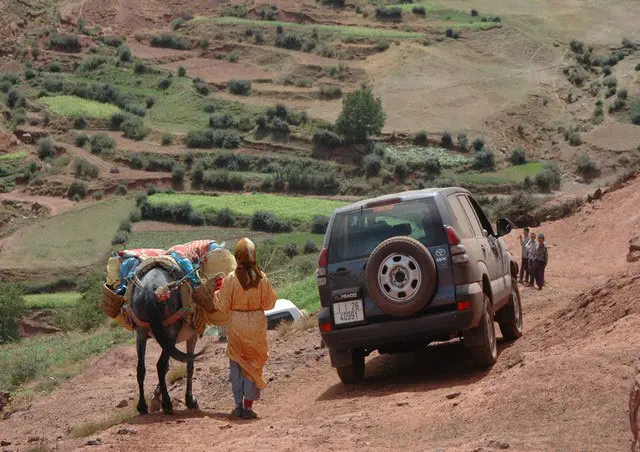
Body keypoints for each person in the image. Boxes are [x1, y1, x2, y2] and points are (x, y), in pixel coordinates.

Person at [215, 238, 277, 420]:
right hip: (257, 326)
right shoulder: (262, 278)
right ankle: (248, 407)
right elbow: (270, 303)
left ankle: (237, 406)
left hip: (237, 326)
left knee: (237, 364)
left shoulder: (231, 279)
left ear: (237, 256)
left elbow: (223, 306)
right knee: (253, 365)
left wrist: (216, 294)